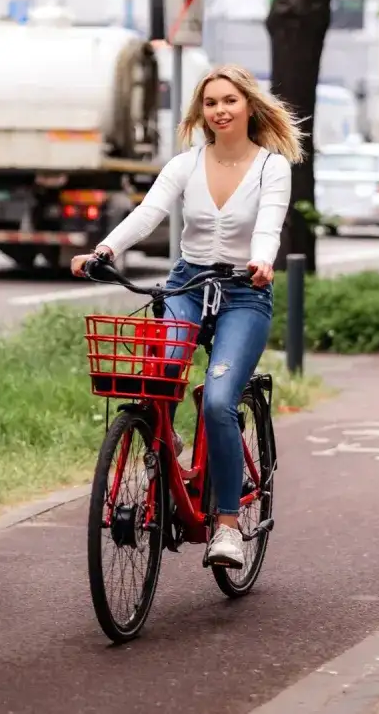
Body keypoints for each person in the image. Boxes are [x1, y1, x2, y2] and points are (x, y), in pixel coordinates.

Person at [70, 64, 301, 569]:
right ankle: (165, 435)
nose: (220, 110)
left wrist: (262, 260)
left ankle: (226, 527)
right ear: (201, 111)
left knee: (218, 401)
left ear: (249, 107)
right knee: (158, 381)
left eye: (230, 101)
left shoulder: (271, 167)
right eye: (211, 102)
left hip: (244, 291)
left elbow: (268, 224)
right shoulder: (186, 164)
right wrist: (104, 249)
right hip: (189, 284)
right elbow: (149, 212)